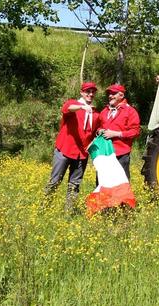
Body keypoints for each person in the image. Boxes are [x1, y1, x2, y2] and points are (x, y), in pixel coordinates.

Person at [45, 82, 100, 214]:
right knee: (55, 181)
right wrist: (81, 108)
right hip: (65, 150)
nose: (90, 94)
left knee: (74, 184)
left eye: (93, 92)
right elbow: (67, 108)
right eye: (87, 91)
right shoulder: (73, 104)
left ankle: (69, 212)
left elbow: (95, 131)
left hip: (81, 154)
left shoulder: (95, 112)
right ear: (81, 92)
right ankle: (45, 208)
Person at [98, 84, 140, 180]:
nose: (110, 96)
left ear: (121, 95)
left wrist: (116, 134)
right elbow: (98, 128)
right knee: (102, 182)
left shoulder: (130, 111)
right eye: (109, 93)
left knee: (121, 184)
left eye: (113, 93)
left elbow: (135, 132)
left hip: (121, 153)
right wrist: (100, 131)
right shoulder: (104, 111)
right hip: (104, 153)